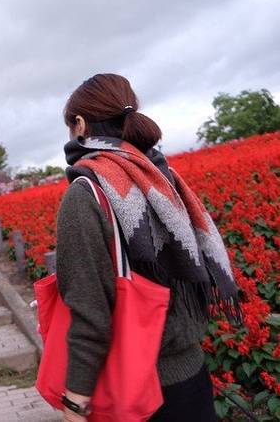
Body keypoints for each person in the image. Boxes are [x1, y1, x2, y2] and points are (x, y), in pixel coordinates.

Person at [55, 74, 243, 421]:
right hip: (192, 378)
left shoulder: (85, 194)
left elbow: (90, 312)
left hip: (138, 392)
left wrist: (75, 403)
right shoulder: (162, 176)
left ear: (79, 124)